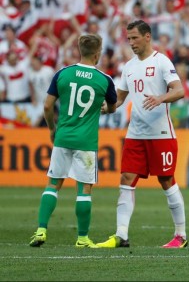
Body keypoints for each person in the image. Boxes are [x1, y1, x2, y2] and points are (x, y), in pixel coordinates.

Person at [97, 20, 187, 249]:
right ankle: (121, 235)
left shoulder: (161, 61)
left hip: (162, 134)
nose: (131, 43)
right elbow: (118, 98)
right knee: (126, 179)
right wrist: (106, 108)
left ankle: (181, 236)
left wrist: (160, 98)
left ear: (147, 37)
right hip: (136, 134)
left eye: (135, 38)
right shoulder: (128, 66)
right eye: (129, 39)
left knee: (166, 180)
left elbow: (179, 90)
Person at [29, 34, 117, 248]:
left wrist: (52, 129)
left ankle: (41, 230)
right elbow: (112, 107)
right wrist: (104, 108)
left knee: (53, 184)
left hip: (63, 137)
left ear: (79, 50)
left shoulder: (63, 74)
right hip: (86, 142)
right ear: (97, 53)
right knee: (84, 190)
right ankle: (82, 238)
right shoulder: (104, 80)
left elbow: (48, 106)